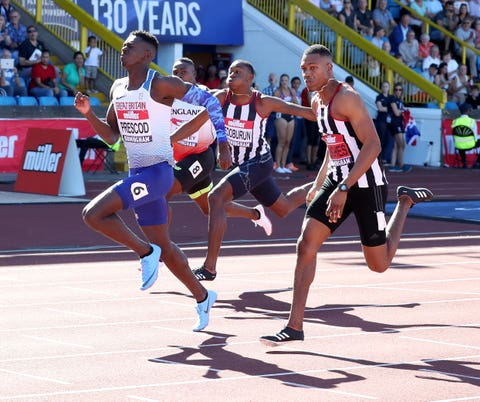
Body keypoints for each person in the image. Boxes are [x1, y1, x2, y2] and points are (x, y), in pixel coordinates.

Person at [260, 44, 434, 346]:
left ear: (329, 69)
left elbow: (374, 146)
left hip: (366, 183)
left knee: (378, 264)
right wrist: (319, 182)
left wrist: (344, 188)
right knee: (306, 244)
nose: (307, 73)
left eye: (313, 68)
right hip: (338, 179)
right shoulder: (316, 102)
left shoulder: (347, 99)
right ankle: (294, 326)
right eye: (304, 68)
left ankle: (404, 203)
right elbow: (333, 143)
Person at [73, 30, 227, 332]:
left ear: (147, 55)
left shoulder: (160, 84)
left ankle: (144, 252)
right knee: (165, 246)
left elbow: (210, 102)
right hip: (137, 172)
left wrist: (222, 142)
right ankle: (203, 295)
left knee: (93, 214)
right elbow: (114, 138)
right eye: (124, 45)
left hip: (158, 172)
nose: (123, 49)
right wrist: (89, 114)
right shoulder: (118, 88)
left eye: (130, 47)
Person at [185, 59, 316, 282]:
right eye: (231, 71)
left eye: (238, 71)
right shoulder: (220, 98)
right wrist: (169, 140)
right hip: (242, 165)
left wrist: (334, 111)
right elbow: (194, 124)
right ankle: (320, 186)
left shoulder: (262, 102)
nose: (232, 73)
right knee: (283, 208)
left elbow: (303, 112)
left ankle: (209, 268)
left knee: (216, 197)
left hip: (259, 162)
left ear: (250, 78)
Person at [167, 56, 272, 235]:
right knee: (210, 207)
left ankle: (158, 254)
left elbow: (226, 111)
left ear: (194, 75)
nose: (178, 75)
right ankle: (255, 214)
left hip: (199, 156)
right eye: (175, 72)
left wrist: (222, 148)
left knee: (162, 194)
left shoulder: (207, 94)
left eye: (183, 72)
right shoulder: (165, 97)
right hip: (175, 158)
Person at [451, 102, 480, 168]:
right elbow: (475, 137)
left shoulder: (455, 121)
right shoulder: (472, 121)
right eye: (470, 109)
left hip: (458, 145)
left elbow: (455, 136)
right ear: (468, 111)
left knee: (460, 140)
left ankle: (464, 163)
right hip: (470, 145)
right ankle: (478, 163)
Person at [273, 73, 298, 173]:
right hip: (281, 117)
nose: (284, 82)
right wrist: (287, 104)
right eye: (283, 80)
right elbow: (276, 106)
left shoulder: (292, 91)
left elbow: (296, 104)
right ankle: (277, 165)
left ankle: (283, 165)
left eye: (286, 80)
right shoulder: (278, 91)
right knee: (281, 142)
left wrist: (292, 100)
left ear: (288, 81)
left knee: (288, 142)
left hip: (290, 117)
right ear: (280, 81)